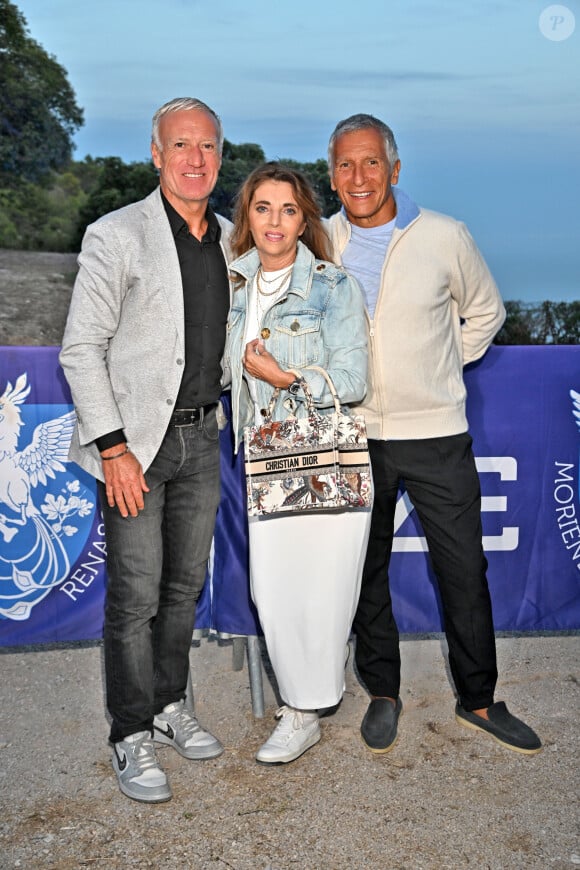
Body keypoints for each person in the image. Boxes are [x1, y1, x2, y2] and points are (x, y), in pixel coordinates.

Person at [325, 113, 542, 756]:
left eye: (370, 163)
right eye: (344, 164)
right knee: (365, 572)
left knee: (463, 571)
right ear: (331, 174)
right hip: (352, 434)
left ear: (394, 168)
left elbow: (486, 312)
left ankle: (479, 698)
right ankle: (383, 693)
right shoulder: (320, 240)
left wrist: (443, 367)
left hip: (437, 432)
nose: (358, 177)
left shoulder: (446, 235)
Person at [59, 97, 232, 803]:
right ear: (156, 154)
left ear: (221, 157)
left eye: (208, 147)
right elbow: (80, 349)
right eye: (181, 145)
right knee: (133, 597)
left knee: (184, 589)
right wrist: (113, 447)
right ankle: (129, 733)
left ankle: (168, 706)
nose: (196, 159)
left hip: (204, 435)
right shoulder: (115, 234)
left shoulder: (233, 237)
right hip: (133, 446)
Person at [225, 163, 370, 764]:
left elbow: (355, 378)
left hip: (327, 460)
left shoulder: (333, 287)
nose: (275, 221)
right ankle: (304, 698)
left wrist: (286, 377)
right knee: (274, 590)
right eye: (263, 208)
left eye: (288, 209)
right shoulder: (232, 286)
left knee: (326, 589)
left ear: (304, 219)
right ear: (247, 217)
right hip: (264, 458)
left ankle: (302, 710)